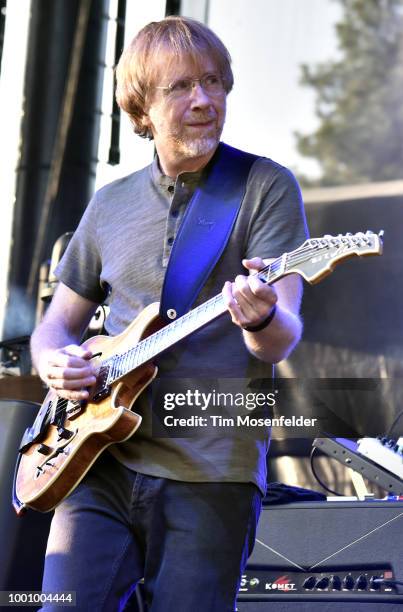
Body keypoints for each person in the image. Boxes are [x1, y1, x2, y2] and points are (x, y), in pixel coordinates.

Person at [31, 16, 308, 612]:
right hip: (97, 459)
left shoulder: (265, 187)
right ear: (141, 109)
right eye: (179, 87)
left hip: (211, 469)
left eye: (213, 82)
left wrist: (258, 318)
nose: (204, 100)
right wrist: (55, 361)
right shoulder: (109, 204)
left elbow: (280, 338)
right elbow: (57, 323)